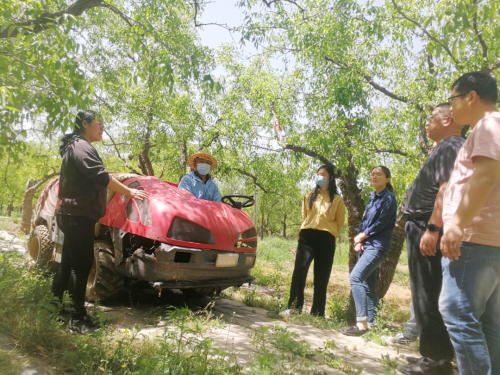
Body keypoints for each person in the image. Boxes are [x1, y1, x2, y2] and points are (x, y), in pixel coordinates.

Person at [52, 110, 148, 334]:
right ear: (85, 124)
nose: (102, 127)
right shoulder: (81, 147)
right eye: (99, 123)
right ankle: (78, 319)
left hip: (74, 213)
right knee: (81, 264)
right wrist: (129, 192)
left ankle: (55, 306)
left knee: (68, 262)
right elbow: (101, 177)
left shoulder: (77, 146)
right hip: (78, 214)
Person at [397, 103, 465, 375]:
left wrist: (433, 229)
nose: (427, 123)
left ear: (448, 119)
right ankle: (432, 354)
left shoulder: (451, 146)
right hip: (423, 225)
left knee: (428, 292)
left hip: (428, 226)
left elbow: (446, 188)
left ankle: (436, 361)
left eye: (431, 118)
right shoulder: (445, 146)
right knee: (424, 292)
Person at [439, 72, 500, 375]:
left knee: (458, 314)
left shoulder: (489, 124)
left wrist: (457, 224)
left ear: (471, 96)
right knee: (489, 326)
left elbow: (485, 177)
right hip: (492, 243)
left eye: (453, 99)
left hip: (475, 241)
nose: (451, 108)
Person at [281, 164, 345, 317]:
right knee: (299, 271)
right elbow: (305, 215)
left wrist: (328, 231)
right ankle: (294, 308)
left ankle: (317, 313)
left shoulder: (337, 200)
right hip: (307, 236)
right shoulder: (310, 195)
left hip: (326, 238)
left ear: (330, 178)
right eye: (318, 174)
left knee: (322, 275)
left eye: (323, 174)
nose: (320, 177)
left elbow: (340, 222)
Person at [343, 166, 397, 336]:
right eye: (372, 174)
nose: (374, 176)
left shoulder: (388, 198)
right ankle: (372, 324)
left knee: (356, 277)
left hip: (377, 246)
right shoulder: (373, 198)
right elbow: (366, 222)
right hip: (367, 245)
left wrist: (362, 236)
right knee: (368, 285)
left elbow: (381, 223)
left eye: (379, 174)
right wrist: (359, 238)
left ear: (387, 179)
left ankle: (361, 324)